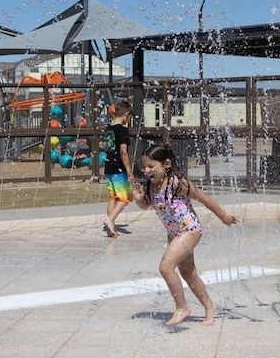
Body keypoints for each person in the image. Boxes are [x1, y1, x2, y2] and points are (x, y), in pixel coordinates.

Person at [132, 143, 240, 326]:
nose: (147, 170)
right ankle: (209, 305)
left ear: (166, 164)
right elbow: (148, 205)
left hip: (189, 230)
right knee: (188, 273)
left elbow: (204, 198)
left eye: (151, 166)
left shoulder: (177, 183)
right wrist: (139, 200)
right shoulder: (151, 185)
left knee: (166, 267)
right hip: (174, 233)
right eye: (145, 166)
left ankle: (182, 307)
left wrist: (224, 217)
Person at [103, 100, 135, 237]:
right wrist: (129, 171)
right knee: (125, 198)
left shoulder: (109, 128)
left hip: (108, 166)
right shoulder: (123, 130)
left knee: (112, 197)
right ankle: (110, 220)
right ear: (126, 114)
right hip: (118, 167)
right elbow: (123, 151)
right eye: (129, 118)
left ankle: (111, 229)